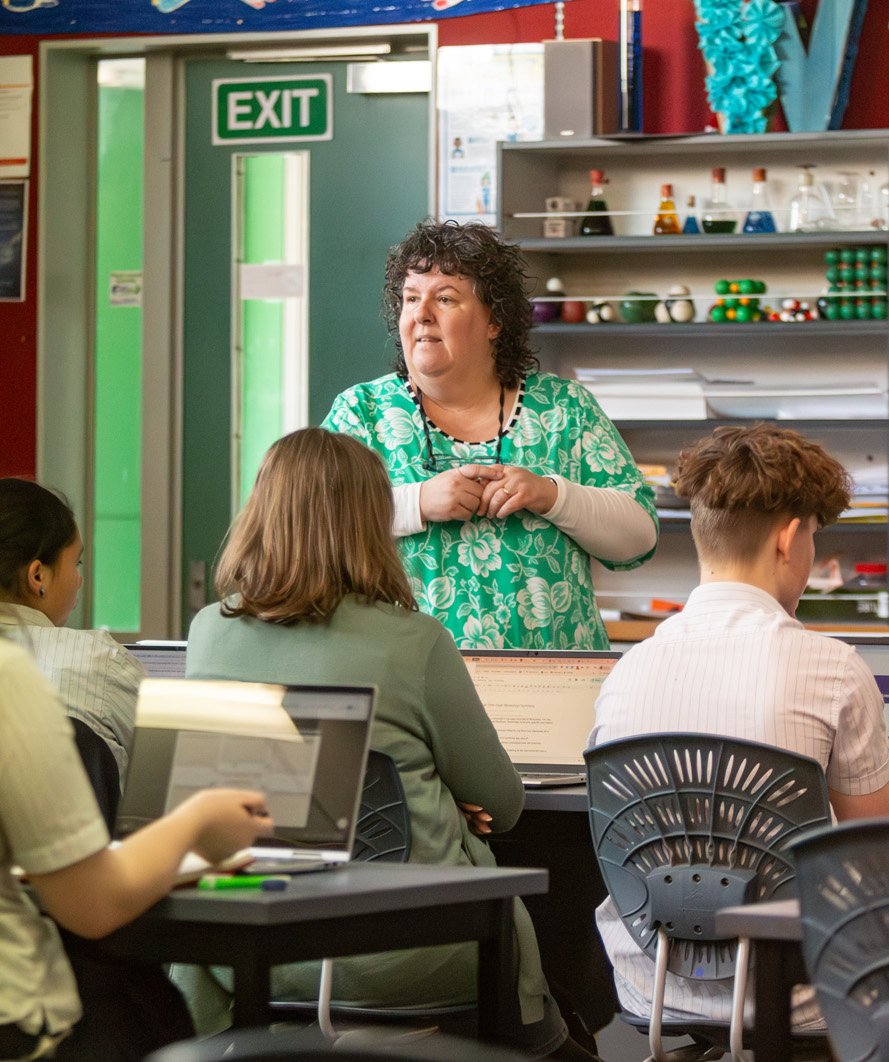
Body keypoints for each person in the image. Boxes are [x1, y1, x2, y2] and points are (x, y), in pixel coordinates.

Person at [182, 426, 586, 1057]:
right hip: (410, 947)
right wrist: (446, 802)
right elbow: (502, 806)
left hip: (249, 943)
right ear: (370, 524)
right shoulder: (416, 641)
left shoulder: (208, 631)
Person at [588, 423, 889, 1031]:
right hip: (804, 989)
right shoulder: (834, 670)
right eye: (813, 538)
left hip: (652, 982)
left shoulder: (625, 672)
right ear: (788, 539)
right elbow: (872, 855)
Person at [323, 219, 658, 650]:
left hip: (551, 690)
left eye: (444, 298)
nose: (421, 313)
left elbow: (639, 539)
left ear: (494, 320)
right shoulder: (361, 413)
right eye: (410, 299)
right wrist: (417, 502)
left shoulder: (564, 408)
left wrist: (551, 495)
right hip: (402, 686)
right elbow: (313, 528)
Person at [0, 629, 273, 1062]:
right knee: (146, 1007)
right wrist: (196, 819)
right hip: (20, 1022)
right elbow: (90, 905)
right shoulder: (10, 673)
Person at [0, 478, 143, 788]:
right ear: (39, 575)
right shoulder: (101, 663)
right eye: (76, 563)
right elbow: (162, 778)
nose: (79, 580)